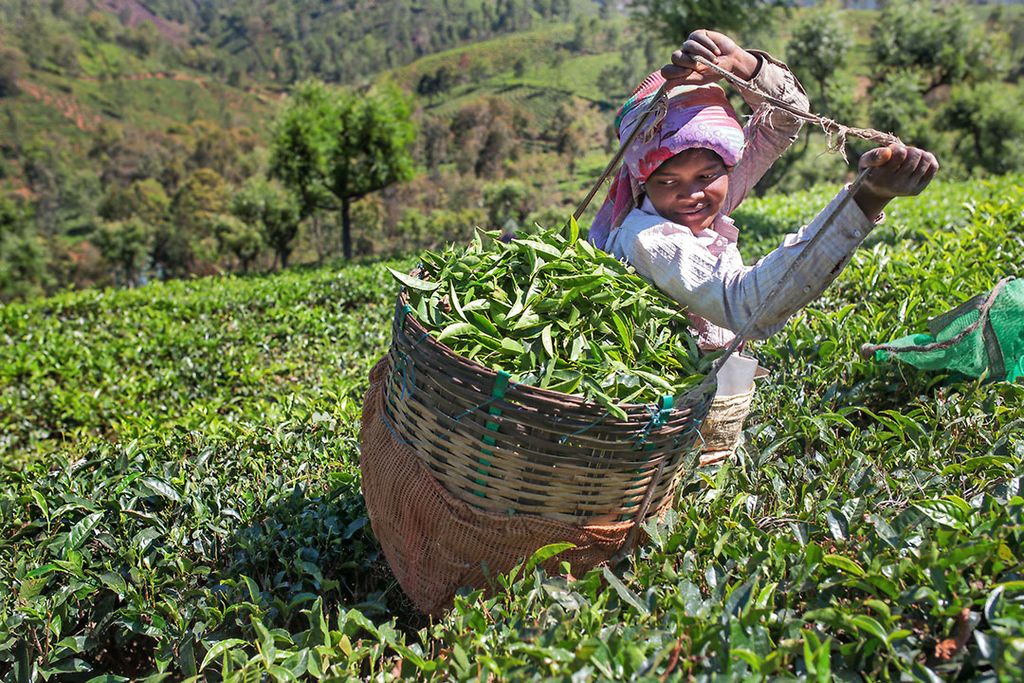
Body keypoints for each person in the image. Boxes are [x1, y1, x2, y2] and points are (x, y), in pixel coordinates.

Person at [589, 29, 939, 464]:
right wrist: (866, 199)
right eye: (668, 181)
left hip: (707, 416)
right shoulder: (647, 238)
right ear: (644, 180)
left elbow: (785, 118)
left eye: (705, 176)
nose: (691, 194)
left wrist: (739, 65)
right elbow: (746, 304)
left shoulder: (699, 200)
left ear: (725, 165)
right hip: (656, 432)